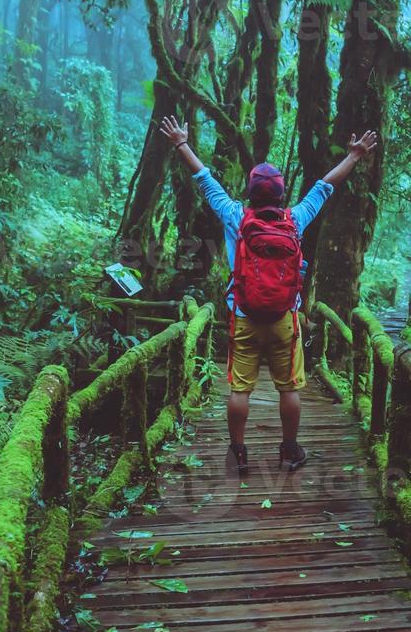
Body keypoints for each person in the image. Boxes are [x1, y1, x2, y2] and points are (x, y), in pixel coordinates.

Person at [160, 114, 379, 474]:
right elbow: (324, 186)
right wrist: (354, 156)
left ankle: (237, 454)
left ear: (250, 192)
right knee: (288, 388)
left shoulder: (235, 216)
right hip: (284, 318)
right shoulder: (295, 219)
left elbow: (205, 180)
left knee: (240, 389)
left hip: (244, 315)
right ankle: (290, 451)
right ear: (280, 194)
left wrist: (182, 143)